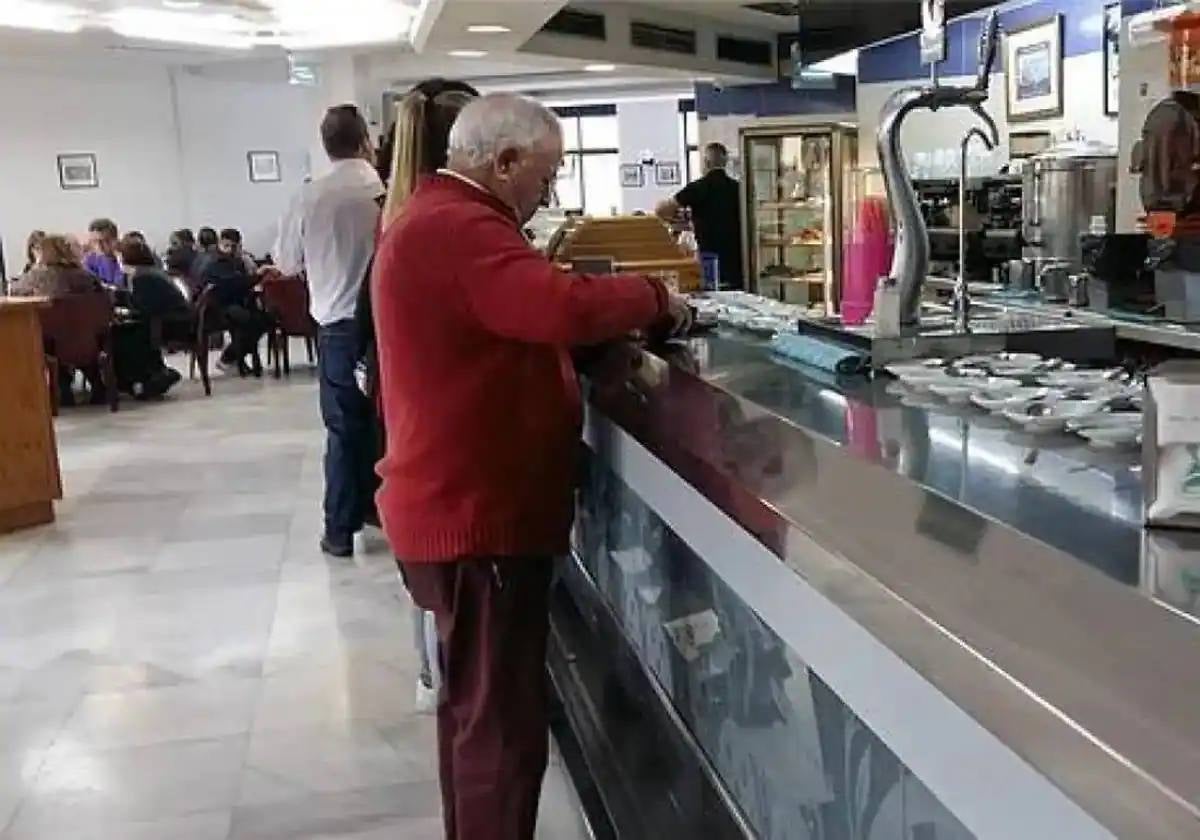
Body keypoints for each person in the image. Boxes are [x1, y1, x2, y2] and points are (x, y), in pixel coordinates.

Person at [372, 92, 689, 840]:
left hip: (461, 507)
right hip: (476, 516)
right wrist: (655, 297)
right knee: (500, 728)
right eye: (543, 179)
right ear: (503, 161)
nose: (546, 196)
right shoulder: (460, 226)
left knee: (476, 712)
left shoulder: (439, 218)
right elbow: (557, 308)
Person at [360, 77, 479, 715]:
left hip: (398, 414)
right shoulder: (442, 226)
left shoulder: (399, 216)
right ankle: (440, 677)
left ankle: (432, 674)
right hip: (432, 438)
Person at [274, 103, 384, 558]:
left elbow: (285, 263)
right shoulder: (386, 190)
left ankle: (340, 529)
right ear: (365, 141)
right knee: (388, 423)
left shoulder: (309, 197)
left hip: (338, 327)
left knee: (342, 428)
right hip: (386, 326)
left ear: (326, 146)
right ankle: (382, 510)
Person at [655, 142, 744, 290]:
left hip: (708, 254)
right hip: (738, 256)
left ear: (706, 162)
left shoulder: (698, 187)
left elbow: (661, 210)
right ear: (726, 162)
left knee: (713, 293)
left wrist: (680, 223)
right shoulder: (738, 188)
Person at [196, 231, 265, 375]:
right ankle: (229, 358)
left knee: (262, 318)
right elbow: (233, 284)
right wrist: (257, 276)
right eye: (228, 245)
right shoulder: (215, 262)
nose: (232, 249)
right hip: (214, 308)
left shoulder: (235, 260)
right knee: (251, 320)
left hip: (229, 303)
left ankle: (234, 356)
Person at [84, 217, 126, 289]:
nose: (99, 246)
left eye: (105, 241)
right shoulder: (90, 260)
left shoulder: (125, 258)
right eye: (95, 241)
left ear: (115, 239)